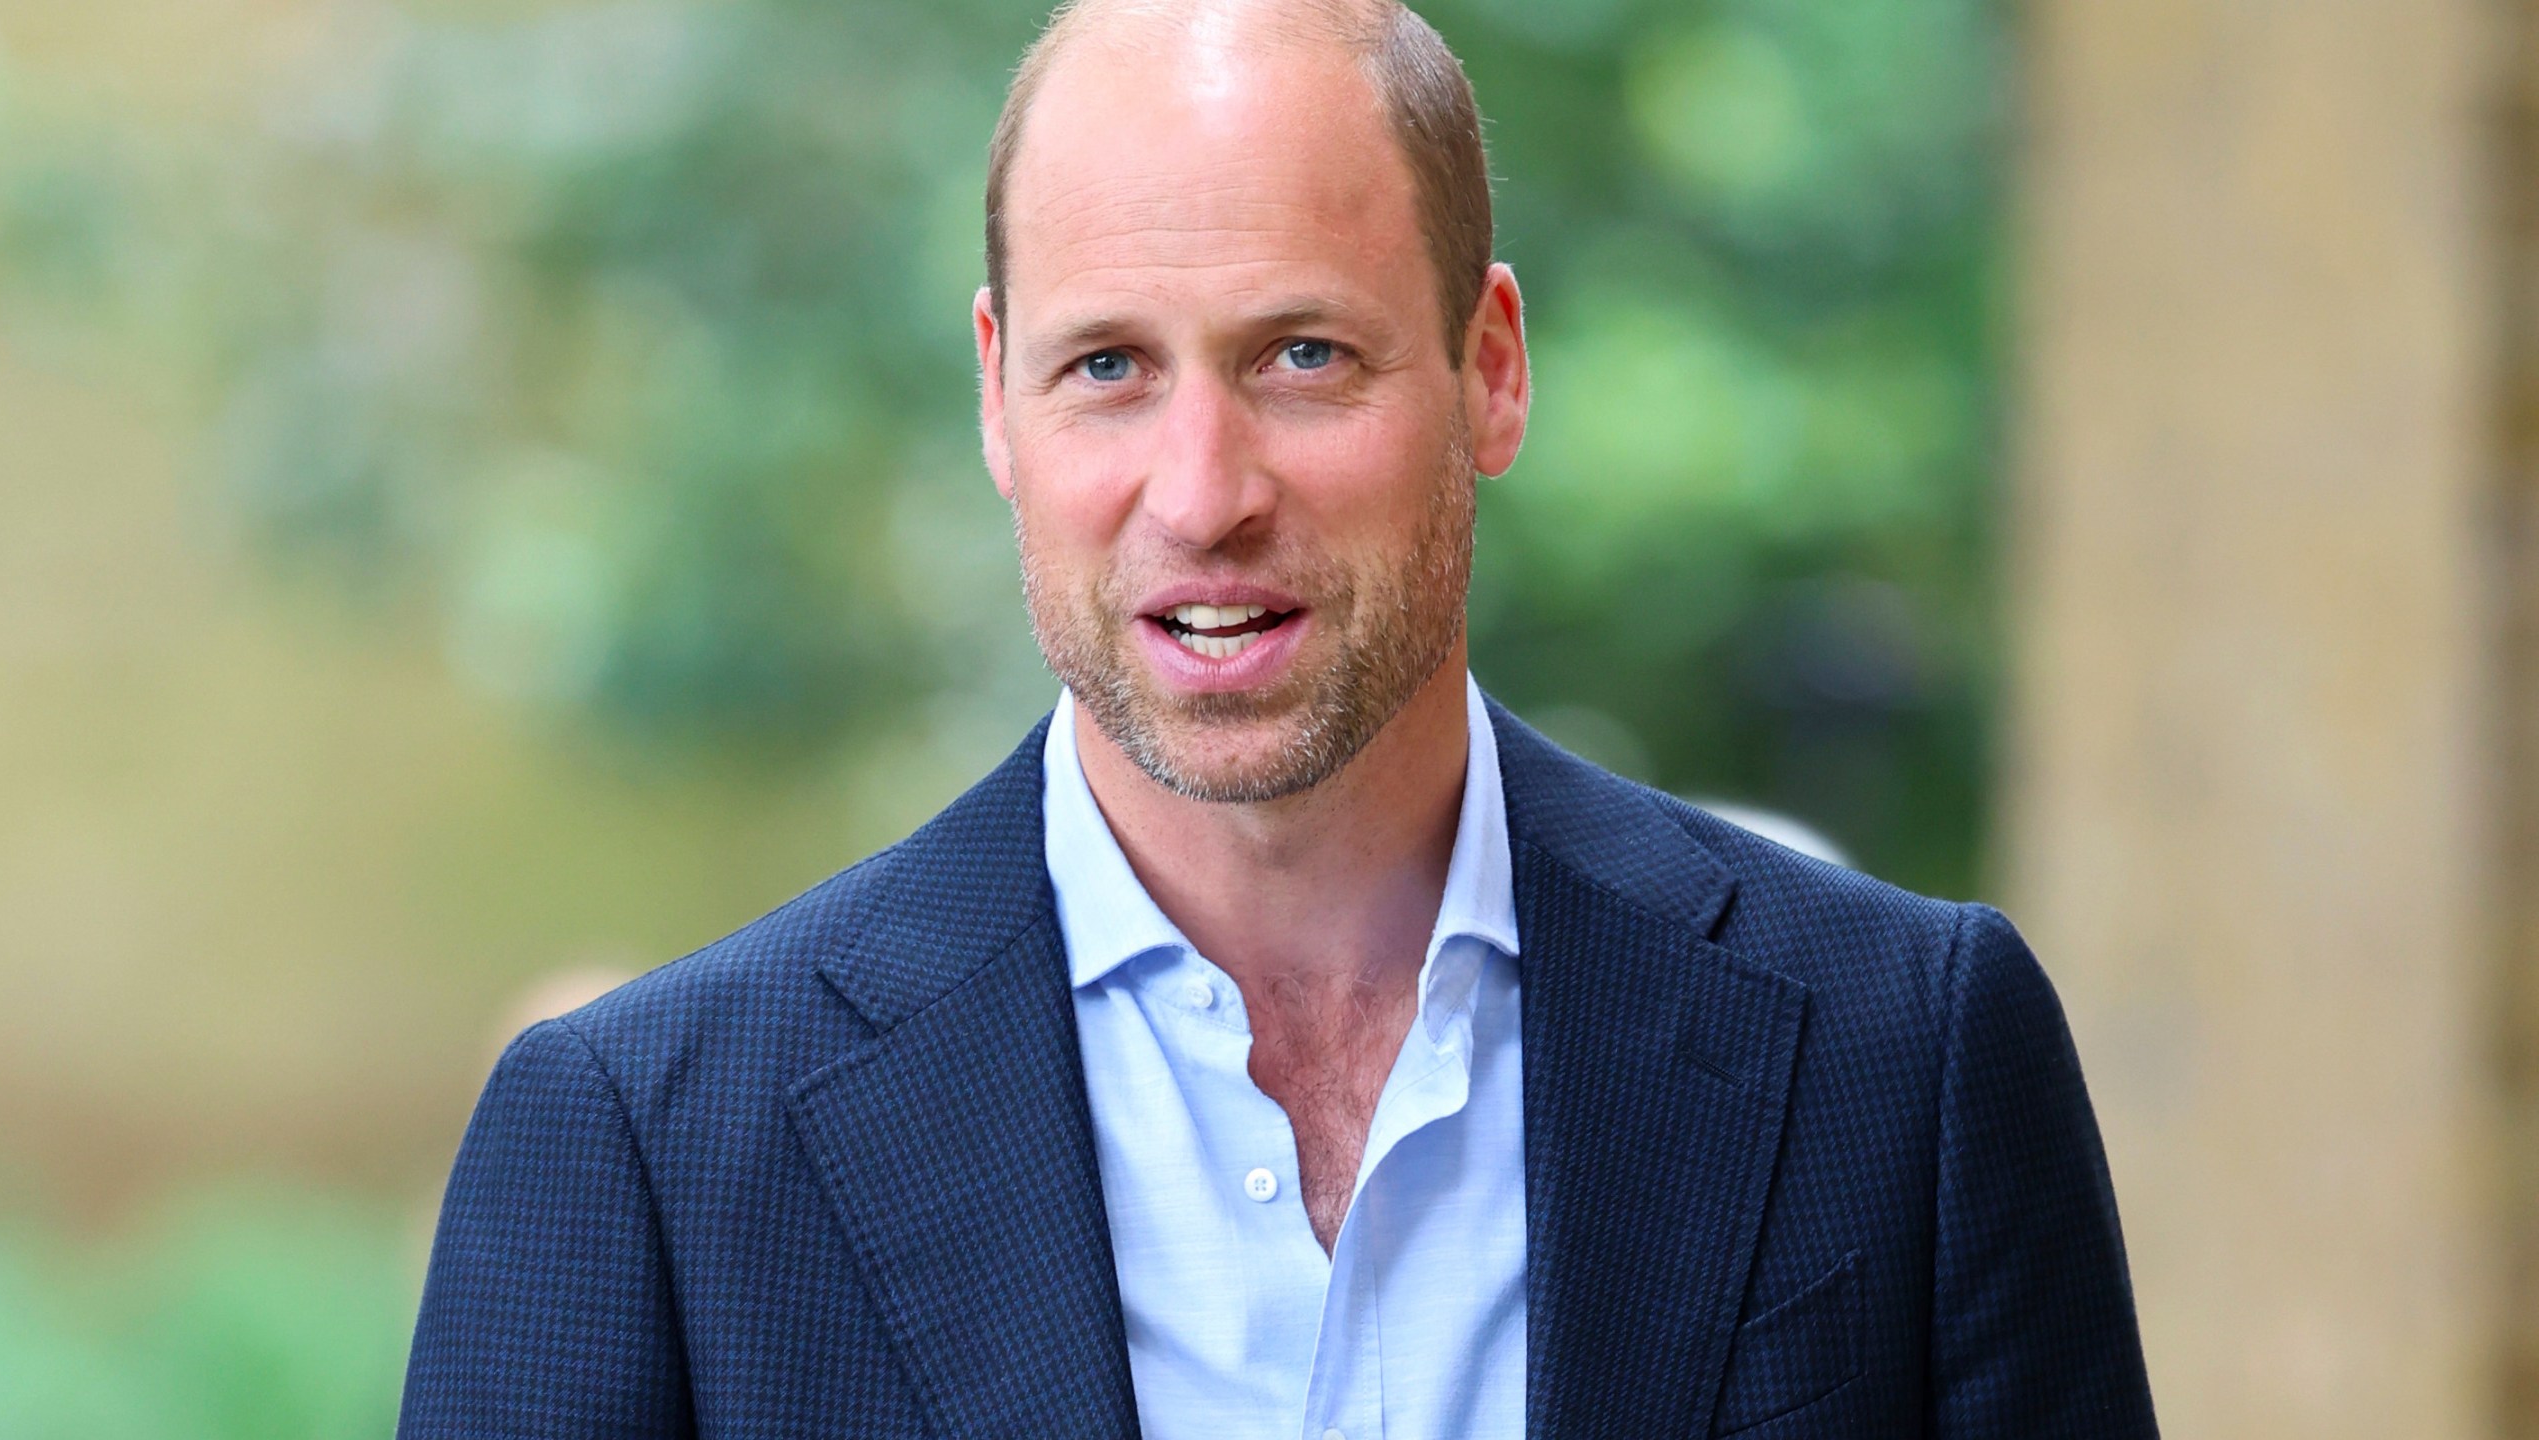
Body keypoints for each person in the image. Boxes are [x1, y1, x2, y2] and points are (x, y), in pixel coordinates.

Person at [398, 0, 2159, 1434]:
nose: (1203, 491)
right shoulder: (647, 1146)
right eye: (1108, 368)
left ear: (1490, 369)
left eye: (1301, 356)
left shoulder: (1903, 1060)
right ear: (999, 403)